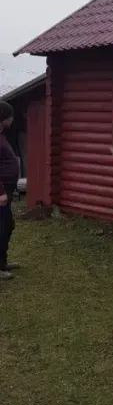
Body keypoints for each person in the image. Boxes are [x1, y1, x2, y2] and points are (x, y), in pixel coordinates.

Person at [0, 101, 19, 280]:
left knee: (7, 226)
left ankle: (2, 263)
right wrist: (1, 193)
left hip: (7, 189)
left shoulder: (2, 135)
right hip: (1, 192)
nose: (12, 119)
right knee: (1, 227)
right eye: (10, 116)